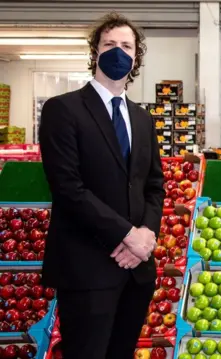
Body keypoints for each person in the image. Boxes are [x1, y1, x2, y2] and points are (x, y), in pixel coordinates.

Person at [39, 12, 164, 359]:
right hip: (87, 267)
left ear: (136, 57)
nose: (118, 52)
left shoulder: (142, 117)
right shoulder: (62, 110)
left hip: (136, 271)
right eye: (110, 44)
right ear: (95, 52)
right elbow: (68, 188)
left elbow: (154, 185)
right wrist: (128, 236)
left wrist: (147, 235)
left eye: (127, 46)